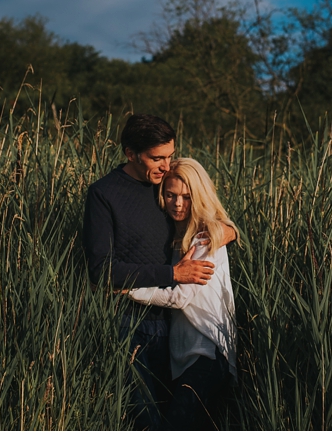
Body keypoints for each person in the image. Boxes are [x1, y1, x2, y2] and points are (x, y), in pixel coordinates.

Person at [83, 115, 221, 429]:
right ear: (131, 153)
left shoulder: (168, 187)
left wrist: (228, 231)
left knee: (169, 411)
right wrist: (173, 274)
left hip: (170, 323)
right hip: (125, 321)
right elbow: (102, 271)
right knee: (145, 418)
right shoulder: (104, 194)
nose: (165, 165)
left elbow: (205, 210)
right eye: (156, 158)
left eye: (170, 156)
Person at [127, 158, 238, 430]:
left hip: (208, 354)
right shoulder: (177, 238)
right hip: (187, 358)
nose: (178, 204)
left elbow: (180, 297)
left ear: (198, 197)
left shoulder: (205, 238)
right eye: (171, 195)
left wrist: (130, 290)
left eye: (187, 197)